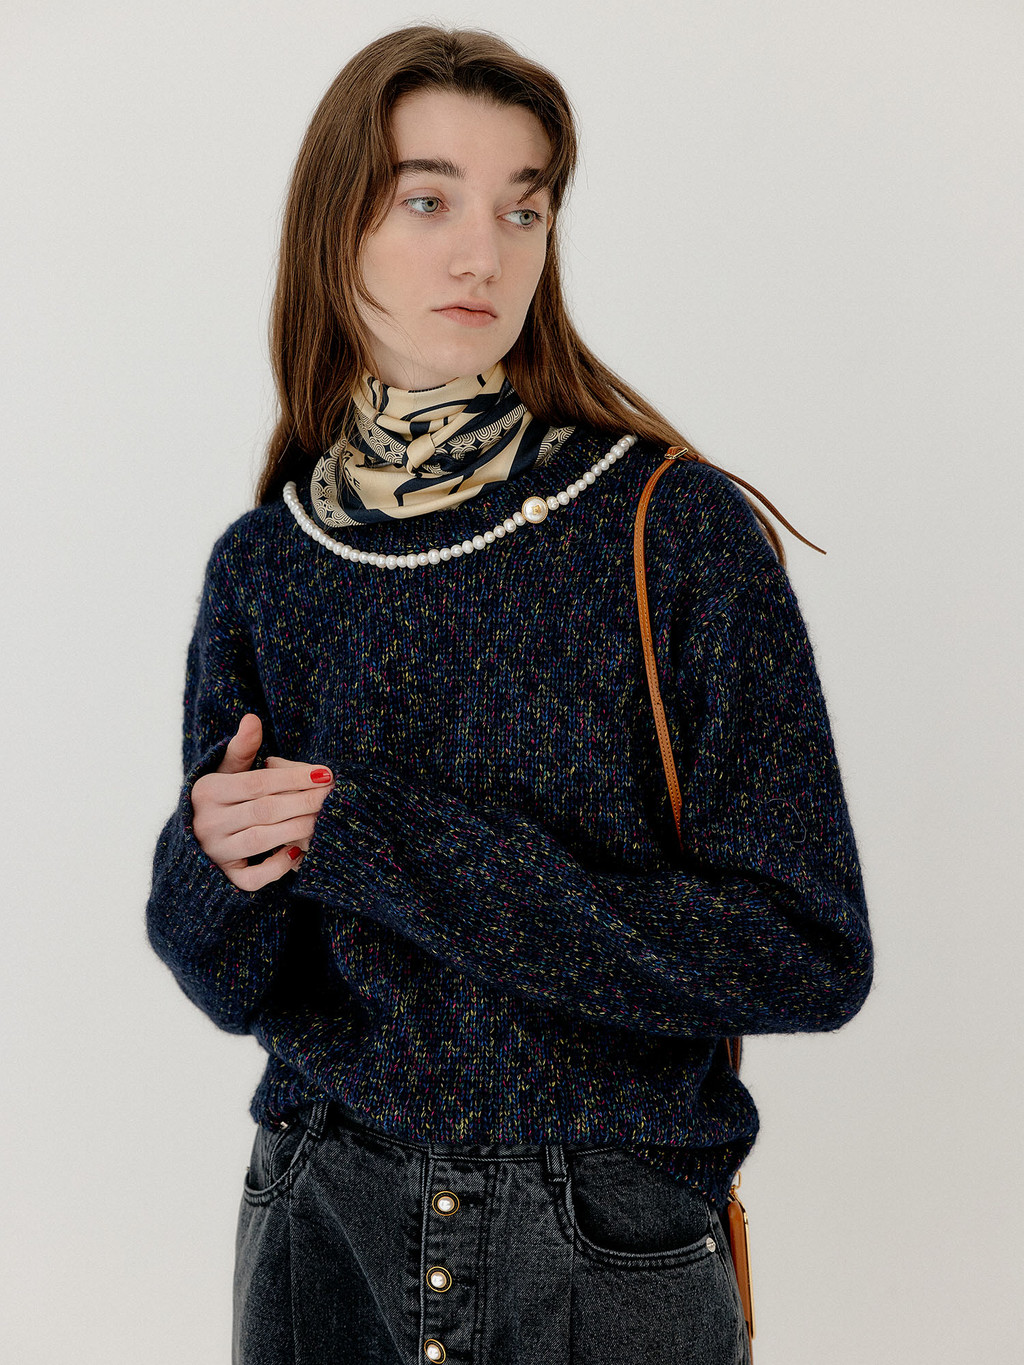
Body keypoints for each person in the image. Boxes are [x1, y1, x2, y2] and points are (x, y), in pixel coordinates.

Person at [146, 23, 874, 1365]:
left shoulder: (669, 529)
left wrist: (375, 842)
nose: (484, 254)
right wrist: (213, 864)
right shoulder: (269, 559)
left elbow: (805, 953)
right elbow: (240, 980)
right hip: (318, 1215)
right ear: (334, 229)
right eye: (429, 201)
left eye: (522, 207)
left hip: (596, 1237)